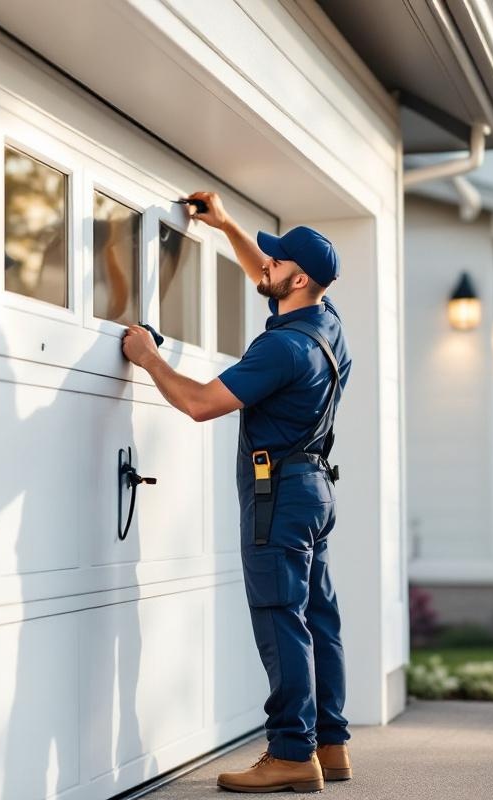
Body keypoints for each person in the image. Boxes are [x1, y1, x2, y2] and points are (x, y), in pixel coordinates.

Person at [121, 191, 352, 794]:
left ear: (298, 278)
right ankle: (330, 743)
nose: (265, 269)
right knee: (317, 618)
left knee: (281, 617)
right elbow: (265, 275)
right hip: (315, 489)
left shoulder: (283, 348)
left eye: (276, 265)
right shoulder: (327, 325)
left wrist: (147, 358)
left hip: (277, 492)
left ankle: (291, 753)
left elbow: (199, 404)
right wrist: (226, 225)